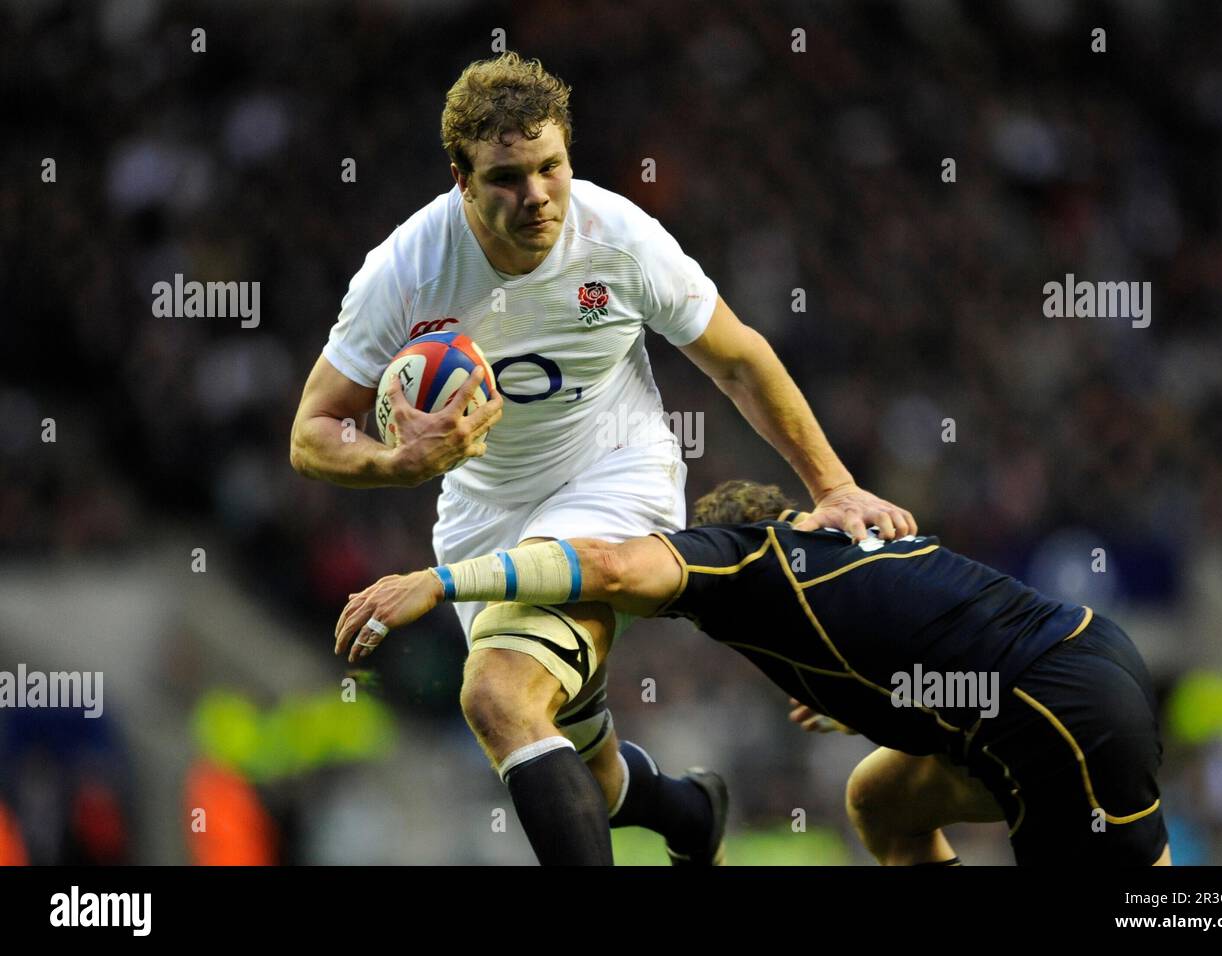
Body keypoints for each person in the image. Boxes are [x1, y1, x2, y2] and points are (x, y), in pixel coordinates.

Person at [290, 51, 916, 866]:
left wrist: (833, 486)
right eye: (508, 177)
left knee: (498, 696)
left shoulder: (618, 238)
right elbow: (311, 433)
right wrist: (395, 465)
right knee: (583, 760)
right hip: (484, 511)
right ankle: (687, 812)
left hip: (613, 476)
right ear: (461, 178)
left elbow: (737, 359)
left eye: (552, 166)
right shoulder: (407, 270)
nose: (538, 195)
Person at [336, 479, 1171, 866]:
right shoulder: (841, 552)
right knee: (880, 802)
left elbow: (607, 566)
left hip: (1055, 714)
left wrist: (439, 582)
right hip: (1068, 675)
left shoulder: (750, 564)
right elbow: (932, 626)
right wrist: (876, 702)